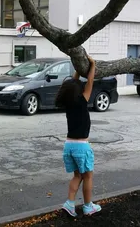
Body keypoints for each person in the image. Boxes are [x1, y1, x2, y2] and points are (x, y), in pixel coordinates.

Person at [55, 56, 101, 217]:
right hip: (82, 146)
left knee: (77, 175)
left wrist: (78, 71)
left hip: (69, 145)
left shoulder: (68, 102)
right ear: (78, 91)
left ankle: (70, 203)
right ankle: (88, 206)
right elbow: (90, 82)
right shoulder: (82, 100)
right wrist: (92, 65)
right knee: (88, 176)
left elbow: (73, 85)